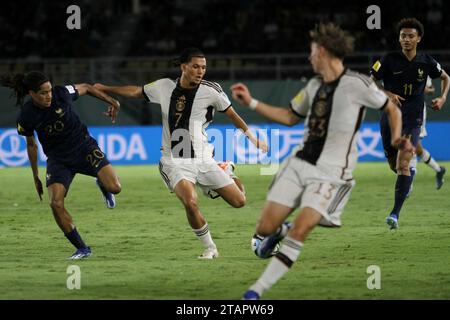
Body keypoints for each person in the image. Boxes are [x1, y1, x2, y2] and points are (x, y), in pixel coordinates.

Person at [231, 22, 411, 300]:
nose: (309, 57)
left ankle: (255, 292)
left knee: (301, 231)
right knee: (264, 229)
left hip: (331, 173)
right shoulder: (313, 85)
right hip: (299, 164)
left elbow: (392, 109)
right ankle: (278, 231)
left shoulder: (358, 83)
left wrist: (397, 138)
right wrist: (251, 103)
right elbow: (290, 117)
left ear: (323, 51)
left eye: (312, 51)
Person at [94, 47, 267, 259]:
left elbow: (233, 115)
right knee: (190, 201)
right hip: (174, 161)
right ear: (184, 67)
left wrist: (253, 138)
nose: (200, 71)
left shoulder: (211, 90)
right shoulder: (164, 86)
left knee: (239, 201)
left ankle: (226, 170)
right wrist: (106, 88)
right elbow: (136, 91)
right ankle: (210, 248)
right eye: (195, 66)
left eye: (203, 67)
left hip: (204, 158)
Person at [1, 71, 122, 259]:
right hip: (59, 160)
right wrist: (35, 176)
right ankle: (82, 248)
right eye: (42, 93)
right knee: (55, 203)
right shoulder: (26, 116)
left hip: (84, 147)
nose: (48, 95)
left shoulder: (61, 93)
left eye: (49, 90)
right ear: (31, 94)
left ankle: (102, 184)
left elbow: (88, 87)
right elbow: (31, 145)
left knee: (115, 188)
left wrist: (112, 101)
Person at [370, 18, 449, 229]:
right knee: (393, 164)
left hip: (413, 119)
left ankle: (394, 214)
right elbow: (368, 82)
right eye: (403, 36)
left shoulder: (426, 62)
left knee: (403, 163)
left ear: (418, 38)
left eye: (411, 36)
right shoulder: (387, 59)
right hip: (389, 117)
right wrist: (388, 93)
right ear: (399, 38)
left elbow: (446, 77)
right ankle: (409, 178)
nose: (406, 39)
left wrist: (442, 98)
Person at [412, 77, 446, 192]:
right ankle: (438, 169)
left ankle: (408, 184)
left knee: (413, 144)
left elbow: (431, 90)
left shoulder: (423, 65)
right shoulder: (397, 65)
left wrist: (424, 89)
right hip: (402, 109)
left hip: (418, 110)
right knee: (417, 148)